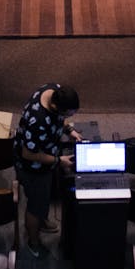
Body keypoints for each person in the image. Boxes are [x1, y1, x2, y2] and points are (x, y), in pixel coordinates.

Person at [13, 83, 82, 257]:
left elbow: (60, 118)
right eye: (67, 113)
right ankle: (33, 242)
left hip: (45, 156)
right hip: (32, 166)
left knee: (43, 198)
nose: (69, 116)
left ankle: (42, 220)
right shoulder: (39, 120)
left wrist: (69, 129)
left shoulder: (54, 89)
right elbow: (28, 154)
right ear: (54, 106)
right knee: (35, 206)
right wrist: (58, 160)